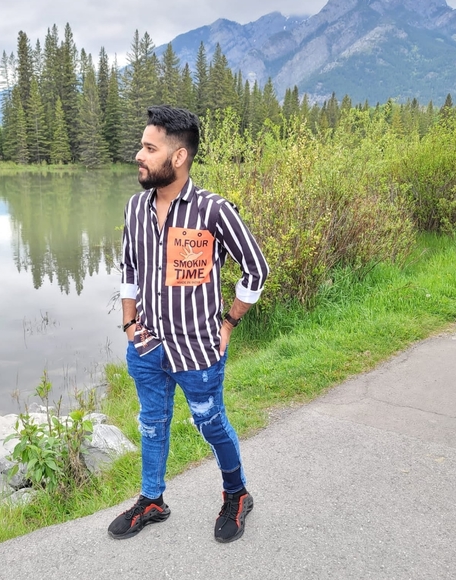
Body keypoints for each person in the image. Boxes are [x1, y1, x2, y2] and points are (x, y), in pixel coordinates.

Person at [107, 105, 269, 543]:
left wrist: (229, 322)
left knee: (211, 422)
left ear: (178, 157)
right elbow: (129, 268)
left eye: (149, 148)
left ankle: (237, 495)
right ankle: (152, 500)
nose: (139, 155)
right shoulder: (136, 208)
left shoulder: (213, 211)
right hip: (147, 347)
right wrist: (129, 324)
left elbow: (256, 268)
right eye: (142, 146)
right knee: (151, 423)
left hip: (198, 349)